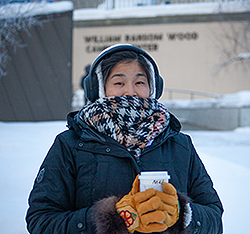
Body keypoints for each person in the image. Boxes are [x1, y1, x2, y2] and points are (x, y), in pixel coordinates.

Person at [26, 44, 223, 234]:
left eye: (139, 82)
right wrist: (112, 218)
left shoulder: (180, 145)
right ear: (100, 89)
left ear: (153, 88)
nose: (130, 91)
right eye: (119, 83)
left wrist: (183, 215)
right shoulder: (70, 144)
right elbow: (41, 221)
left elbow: (214, 217)